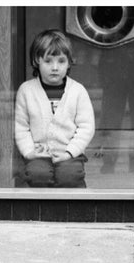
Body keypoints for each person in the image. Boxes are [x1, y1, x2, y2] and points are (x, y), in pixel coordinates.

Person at [15, 29, 95, 188]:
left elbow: (86, 127)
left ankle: (74, 210)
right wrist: (29, 152)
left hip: (69, 153)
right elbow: (21, 127)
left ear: (69, 62)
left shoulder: (77, 91)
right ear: (37, 60)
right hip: (38, 154)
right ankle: (39, 210)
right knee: (37, 175)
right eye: (48, 61)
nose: (55, 67)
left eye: (61, 61)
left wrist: (70, 152)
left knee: (70, 176)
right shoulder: (26, 90)